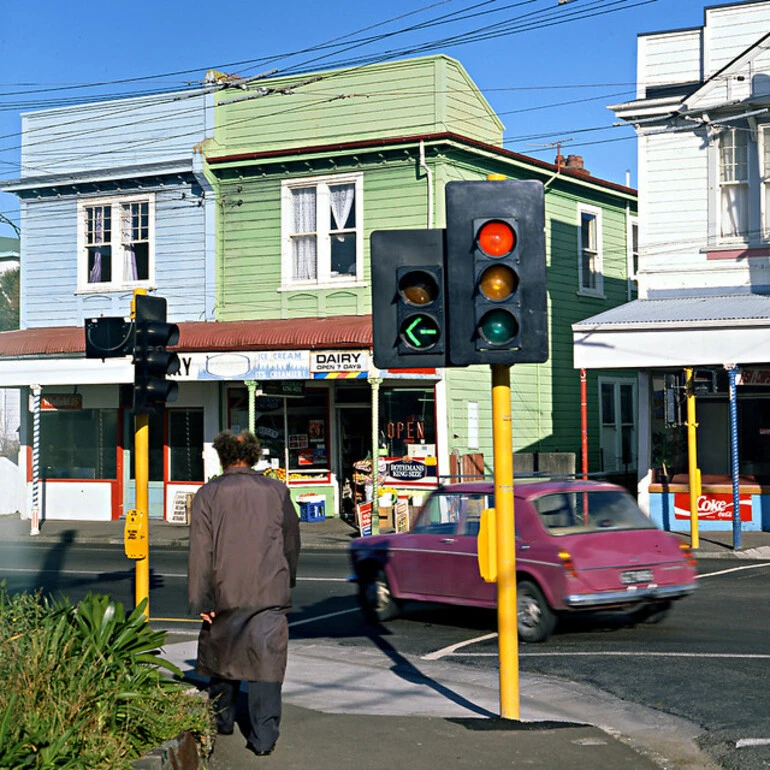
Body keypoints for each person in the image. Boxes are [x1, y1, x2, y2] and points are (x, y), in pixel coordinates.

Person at [188, 429, 301, 758]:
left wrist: (202, 599)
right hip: (269, 590)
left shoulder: (208, 494)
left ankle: (222, 720)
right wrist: (285, 578)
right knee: (266, 662)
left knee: (224, 655)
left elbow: (200, 550)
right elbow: (291, 542)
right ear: (254, 457)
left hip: (225, 590)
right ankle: (264, 737)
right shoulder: (278, 490)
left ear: (221, 457)